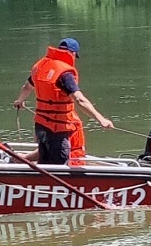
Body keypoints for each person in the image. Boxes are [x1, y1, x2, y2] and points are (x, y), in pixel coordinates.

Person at [13, 37, 114, 165]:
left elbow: (27, 87)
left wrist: (20, 101)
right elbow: (80, 100)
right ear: (72, 54)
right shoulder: (65, 74)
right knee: (60, 165)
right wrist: (101, 119)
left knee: (45, 161)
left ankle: (38, 180)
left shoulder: (41, 66)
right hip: (57, 129)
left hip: (41, 126)